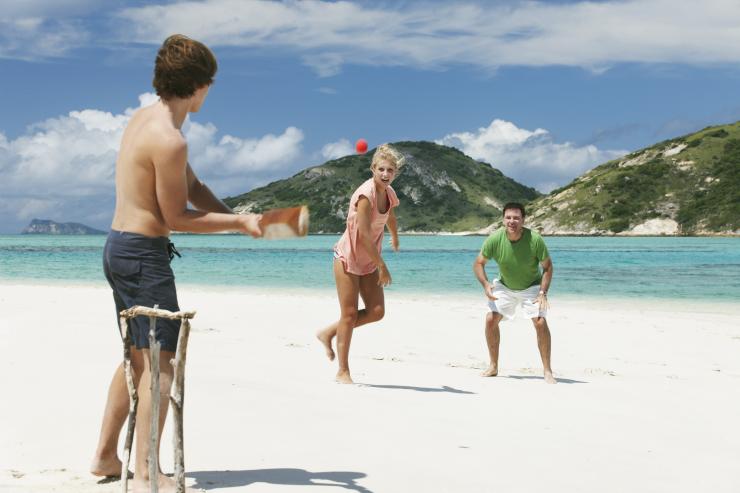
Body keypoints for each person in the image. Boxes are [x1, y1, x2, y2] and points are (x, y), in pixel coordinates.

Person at [90, 34, 262, 492]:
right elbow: (176, 217)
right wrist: (237, 225)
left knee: (136, 358)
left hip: (118, 248)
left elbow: (194, 187)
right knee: (161, 365)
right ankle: (148, 471)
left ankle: (106, 456)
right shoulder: (170, 140)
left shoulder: (145, 120)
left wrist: (240, 217)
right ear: (200, 85)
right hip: (143, 256)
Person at [316, 144, 404, 384]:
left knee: (377, 311)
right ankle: (342, 371)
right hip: (348, 257)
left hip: (368, 259)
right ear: (373, 169)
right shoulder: (366, 195)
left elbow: (391, 215)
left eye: (391, 170)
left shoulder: (389, 192)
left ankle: (329, 332)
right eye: (382, 169)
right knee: (350, 313)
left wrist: (394, 236)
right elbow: (364, 235)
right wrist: (383, 266)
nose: (386, 174)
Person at [472, 202, 556, 384]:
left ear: (523, 220)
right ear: (503, 219)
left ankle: (548, 370)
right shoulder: (495, 239)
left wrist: (543, 291)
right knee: (490, 319)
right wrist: (486, 284)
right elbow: (479, 263)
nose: (512, 221)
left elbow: (548, 267)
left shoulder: (535, 239)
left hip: (532, 287)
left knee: (540, 322)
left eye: (516, 218)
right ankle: (493, 366)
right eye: (508, 217)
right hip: (505, 287)